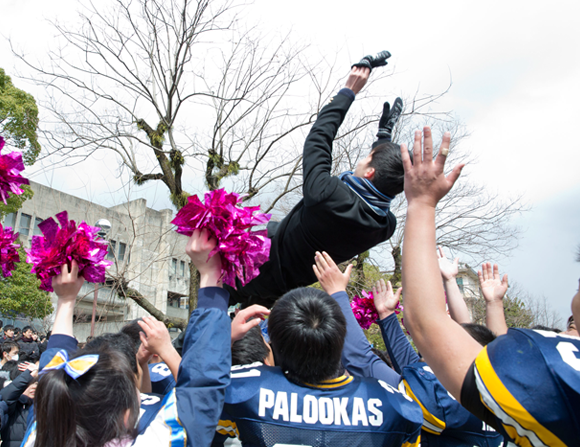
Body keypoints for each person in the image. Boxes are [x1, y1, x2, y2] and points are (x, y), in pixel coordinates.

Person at [398, 126, 580, 445]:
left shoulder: (558, 374)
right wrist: (492, 303)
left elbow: (427, 323)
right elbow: (498, 345)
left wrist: (422, 205)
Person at [22, 229, 235, 447]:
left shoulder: (41, 433)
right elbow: (201, 388)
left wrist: (66, 300)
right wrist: (210, 275)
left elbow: (53, 369)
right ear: (125, 416)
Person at [227, 52, 408, 307]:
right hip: (284, 290)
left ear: (369, 172)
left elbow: (319, 138)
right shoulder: (384, 226)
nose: (361, 160)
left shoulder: (327, 195)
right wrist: (383, 139)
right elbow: (382, 185)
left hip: (251, 269)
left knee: (206, 312)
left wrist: (348, 91)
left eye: (367, 158)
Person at [214, 252, 422, 446]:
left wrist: (226, 341)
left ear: (275, 345)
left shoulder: (240, 390)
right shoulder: (395, 405)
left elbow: (192, 401)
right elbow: (365, 360)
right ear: (341, 338)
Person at [367, 277, 505, 446]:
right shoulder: (497, 400)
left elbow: (363, 357)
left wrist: (338, 294)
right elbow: (411, 363)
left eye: (450, 341)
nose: (440, 343)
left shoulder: (447, 403)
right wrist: (387, 315)